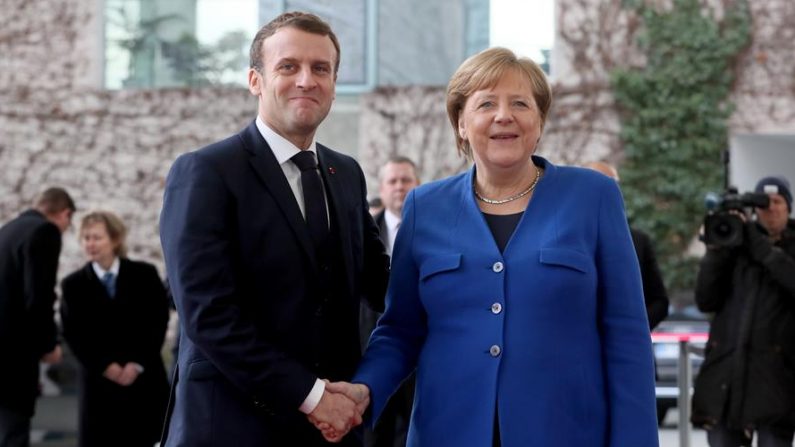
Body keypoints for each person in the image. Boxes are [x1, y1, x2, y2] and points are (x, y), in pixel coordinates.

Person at [324, 47, 659, 446]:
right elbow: (401, 329)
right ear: (461, 123)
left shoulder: (593, 196)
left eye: (520, 103)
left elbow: (626, 336)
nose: (504, 115)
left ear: (539, 121)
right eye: (486, 104)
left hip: (567, 432)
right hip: (447, 433)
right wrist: (364, 391)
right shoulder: (425, 207)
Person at [159, 11, 390, 447]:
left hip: (334, 430)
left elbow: (381, 283)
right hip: (231, 427)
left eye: (321, 68)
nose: (306, 80)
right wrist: (313, 396)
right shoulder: (205, 172)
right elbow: (208, 316)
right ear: (255, 80)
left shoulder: (347, 173)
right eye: (288, 66)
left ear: (334, 84)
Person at [691, 176, 795, 447]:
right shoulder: (735, 246)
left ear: (789, 207)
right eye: (763, 203)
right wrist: (716, 252)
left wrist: (755, 243)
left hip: (778, 385)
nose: (770, 208)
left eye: (777, 202)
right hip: (726, 381)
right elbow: (706, 300)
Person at [60, 211, 170, 447]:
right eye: (86, 238)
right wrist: (106, 366)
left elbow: (157, 321)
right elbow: (74, 334)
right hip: (99, 387)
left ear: (116, 239)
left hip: (144, 381)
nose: (90, 244)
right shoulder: (73, 285)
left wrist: (136, 363)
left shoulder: (145, 275)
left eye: (97, 237)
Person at [0, 187, 74, 447]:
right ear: (65, 214)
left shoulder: (7, 231)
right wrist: (48, 344)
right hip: (14, 358)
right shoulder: (45, 231)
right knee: (13, 435)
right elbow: (39, 296)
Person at [359, 156, 420, 447]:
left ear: (417, 185)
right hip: (371, 355)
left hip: (420, 359)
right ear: (381, 189)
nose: (399, 187)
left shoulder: (433, 233)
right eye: (392, 181)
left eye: (406, 180)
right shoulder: (361, 233)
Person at [584, 161, 669, 329]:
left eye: (613, 186)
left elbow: (659, 302)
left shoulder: (638, 241)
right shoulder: (557, 238)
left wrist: (632, 330)